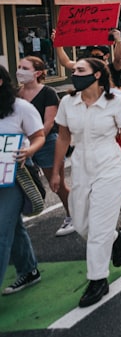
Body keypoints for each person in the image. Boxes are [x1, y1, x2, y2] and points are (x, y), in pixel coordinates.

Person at [50, 58, 121, 307]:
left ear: (98, 74)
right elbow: (63, 138)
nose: (75, 74)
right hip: (80, 164)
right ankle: (117, 239)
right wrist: (56, 171)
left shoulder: (116, 100)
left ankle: (98, 280)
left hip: (109, 164)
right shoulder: (68, 102)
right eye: (74, 70)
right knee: (80, 223)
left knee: (99, 224)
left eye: (80, 70)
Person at [0, 64, 46, 296]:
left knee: (2, 229)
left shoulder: (21, 108)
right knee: (11, 226)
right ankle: (29, 270)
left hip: (14, 175)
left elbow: (39, 136)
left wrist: (28, 152)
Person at [16, 56, 73, 235]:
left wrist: (35, 142)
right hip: (23, 144)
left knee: (57, 184)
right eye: (19, 67)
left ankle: (73, 215)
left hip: (47, 142)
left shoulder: (48, 92)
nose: (19, 71)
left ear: (37, 72)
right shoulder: (17, 94)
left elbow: (48, 123)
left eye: (24, 68)